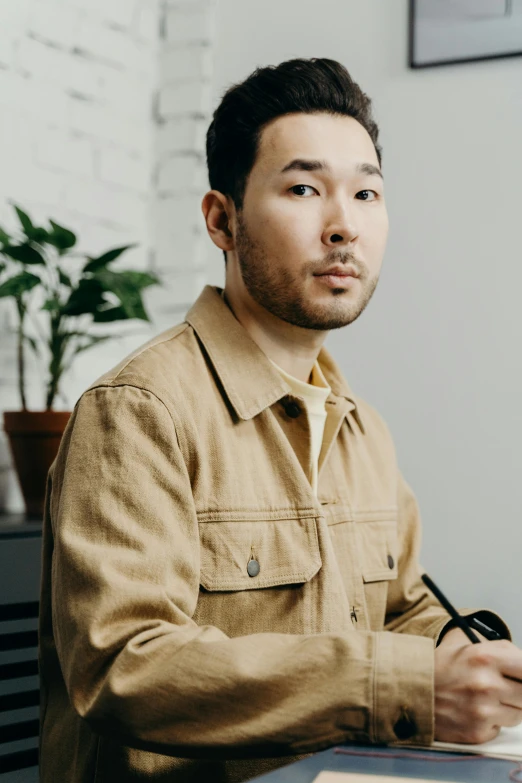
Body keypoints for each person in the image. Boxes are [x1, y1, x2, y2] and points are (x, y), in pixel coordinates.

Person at [39, 57, 522, 783]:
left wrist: (474, 663)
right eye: (304, 188)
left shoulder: (363, 428)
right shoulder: (138, 412)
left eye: (366, 192)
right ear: (221, 219)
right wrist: (402, 684)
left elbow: (403, 609)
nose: (344, 226)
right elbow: (124, 663)